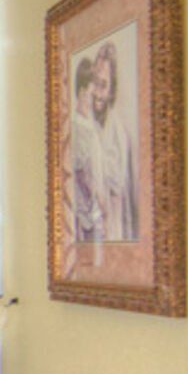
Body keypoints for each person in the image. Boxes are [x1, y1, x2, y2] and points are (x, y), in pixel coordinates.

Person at [92, 40, 139, 242]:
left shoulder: (120, 136)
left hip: (113, 233)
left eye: (102, 85)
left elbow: (124, 200)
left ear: (112, 91)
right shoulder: (86, 127)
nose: (95, 91)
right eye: (94, 82)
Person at [69, 55, 104, 255]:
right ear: (82, 93)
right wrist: (96, 197)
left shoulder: (91, 126)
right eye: (91, 94)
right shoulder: (77, 128)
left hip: (94, 213)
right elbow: (81, 172)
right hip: (87, 215)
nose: (94, 99)